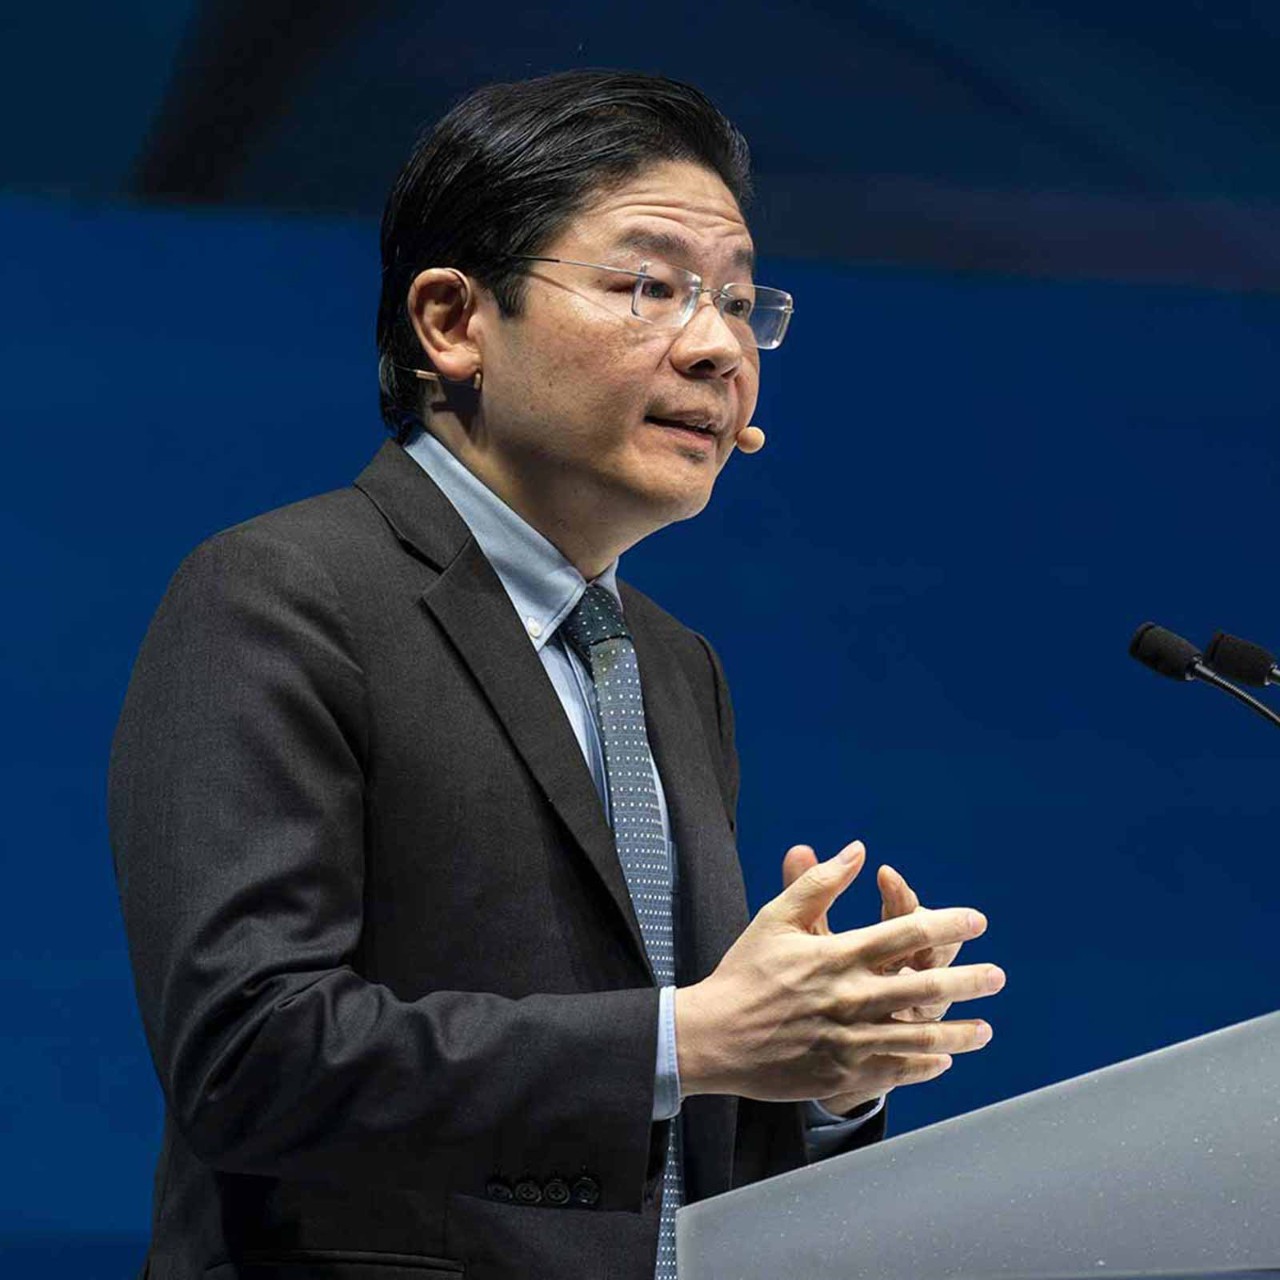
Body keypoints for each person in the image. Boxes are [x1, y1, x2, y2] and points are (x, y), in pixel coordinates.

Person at [108, 70, 1005, 1280]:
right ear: (451, 321)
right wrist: (694, 1034)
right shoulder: (283, 593)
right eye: (650, 286)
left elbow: (652, 1134)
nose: (716, 347)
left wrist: (818, 1077)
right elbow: (247, 1056)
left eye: (739, 302)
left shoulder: (671, 663)